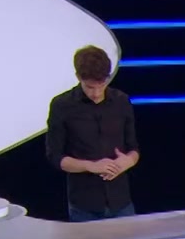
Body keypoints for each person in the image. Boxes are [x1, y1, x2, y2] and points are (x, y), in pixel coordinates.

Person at [46, 45, 139, 221]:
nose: (96, 93)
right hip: (84, 205)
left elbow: (133, 148)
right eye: (90, 87)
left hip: (121, 202)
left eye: (101, 85)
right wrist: (91, 166)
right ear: (78, 77)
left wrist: (129, 161)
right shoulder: (62, 106)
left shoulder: (121, 101)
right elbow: (55, 157)